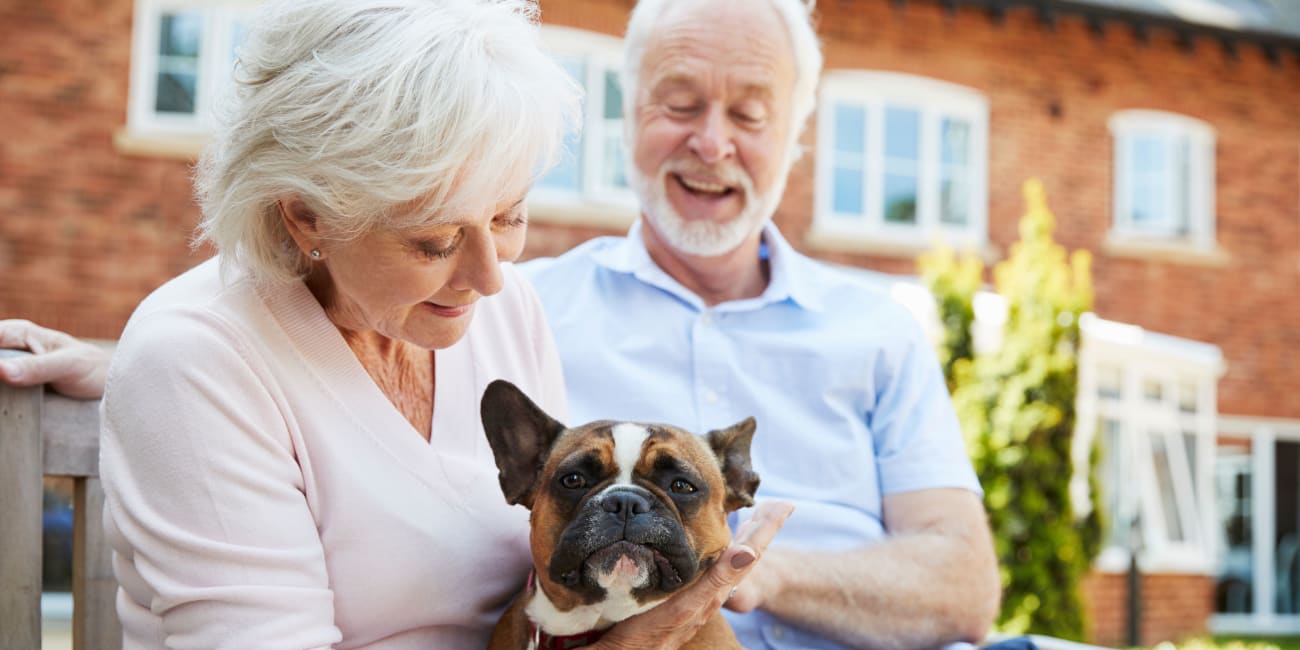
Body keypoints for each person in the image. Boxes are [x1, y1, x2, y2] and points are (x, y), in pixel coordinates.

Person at [1, 0, 1001, 647]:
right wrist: (141, 363)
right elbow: (235, 369)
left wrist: (730, 581)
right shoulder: (208, 355)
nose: (492, 274)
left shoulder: (502, 308)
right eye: (435, 239)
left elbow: (963, 582)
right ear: (305, 215)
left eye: (513, 216)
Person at [520, 0, 1002, 648]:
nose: (713, 143)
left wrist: (755, 573)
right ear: (629, 110)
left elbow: (966, 587)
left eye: (749, 114)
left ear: (796, 136)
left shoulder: (881, 333)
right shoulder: (527, 309)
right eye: (681, 104)